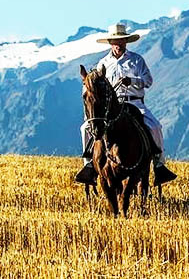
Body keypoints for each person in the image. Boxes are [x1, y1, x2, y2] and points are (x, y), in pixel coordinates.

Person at [75, 24, 177, 186]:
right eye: (115, 41)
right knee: (85, 128)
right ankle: (89, 164)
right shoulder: (103, 63)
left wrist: (133, 81)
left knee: (155, 126)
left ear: (126, 41)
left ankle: (159, 164)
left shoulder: (137, 60)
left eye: (121, 40)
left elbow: (148, 81)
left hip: (135, 102)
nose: (118, 44)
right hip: (111, 106)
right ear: (110, 43)